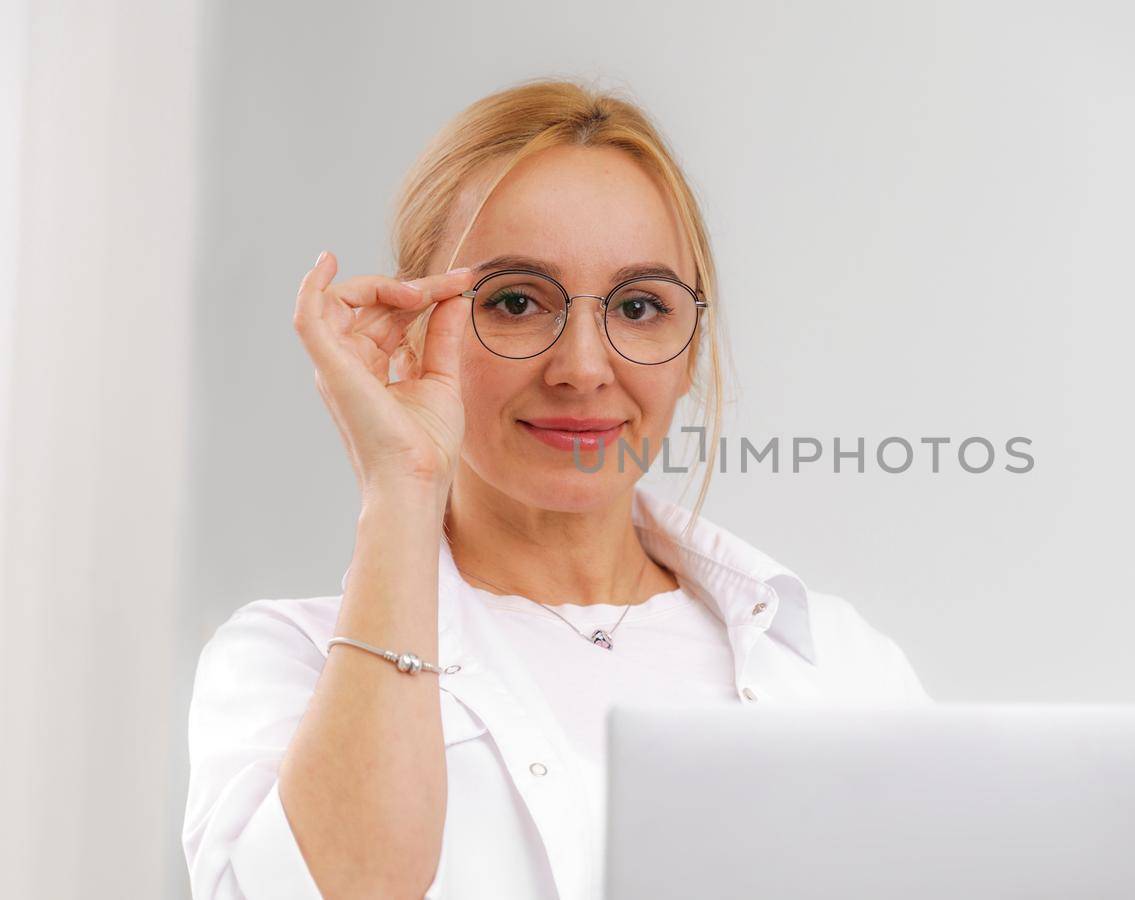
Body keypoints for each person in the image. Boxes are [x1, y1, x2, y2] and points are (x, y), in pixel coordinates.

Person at [181, 78, 933, 900]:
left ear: (689, 349)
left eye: (640, 306)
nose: (581, 368)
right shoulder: (290, 666)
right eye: (514, 301)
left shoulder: (841, 665)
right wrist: (402, 486)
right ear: (415, 321)